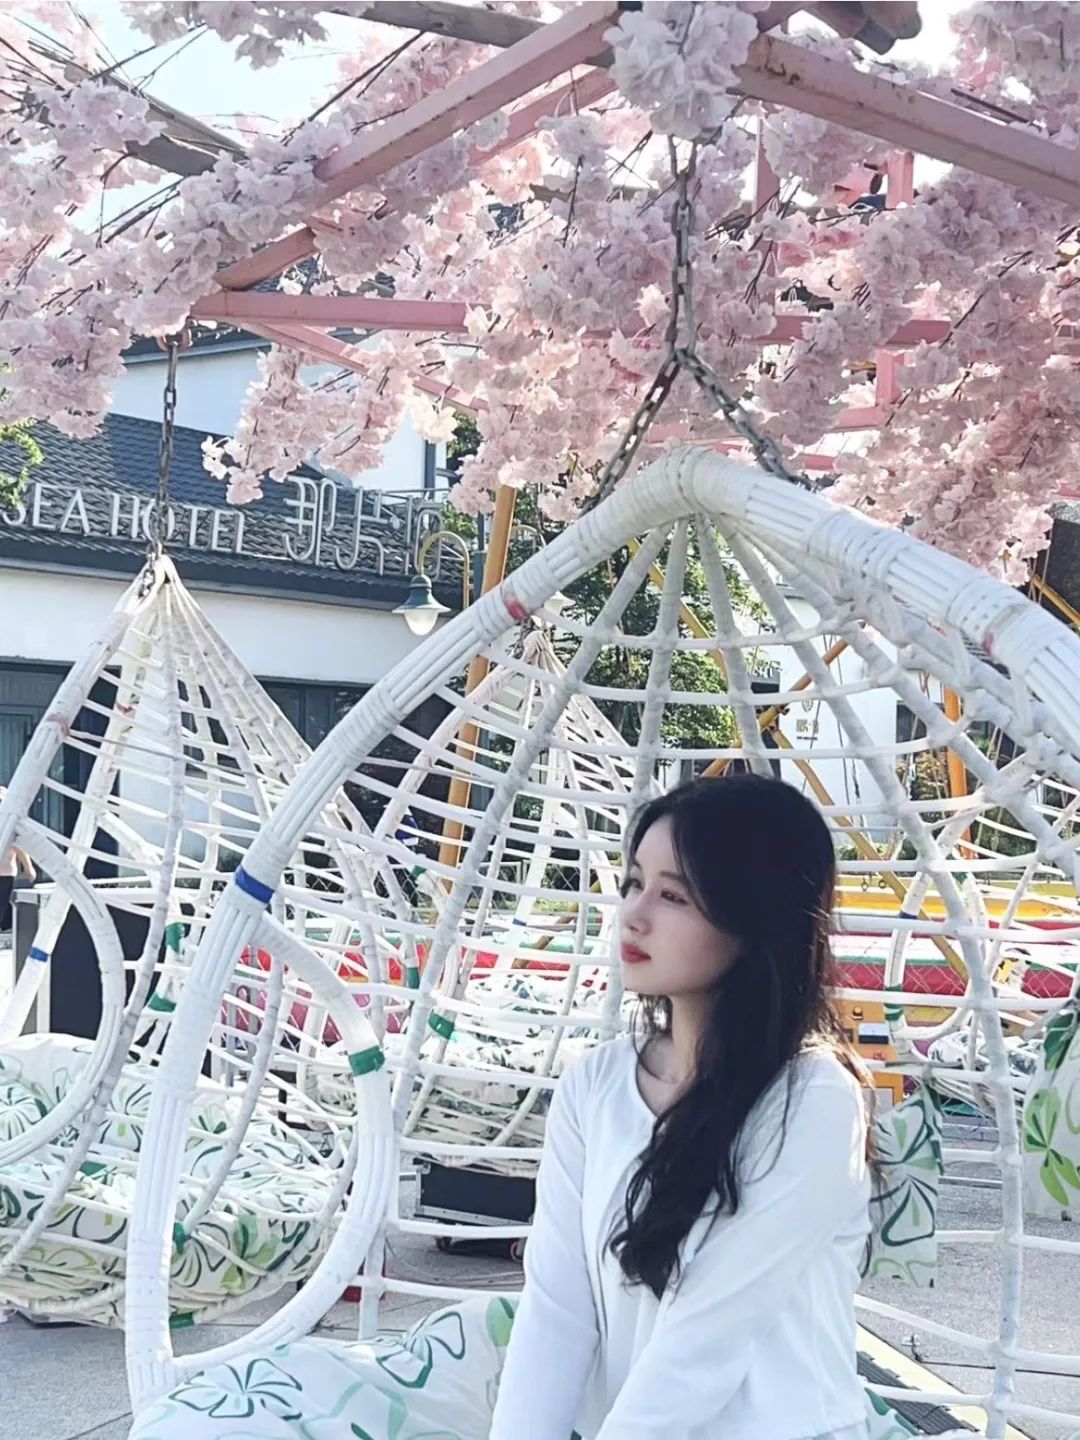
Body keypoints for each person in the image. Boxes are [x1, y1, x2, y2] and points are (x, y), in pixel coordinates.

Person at [490, 773, 873, 1440]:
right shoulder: (595, 1085)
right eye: (633, 883)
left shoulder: (813, 1099)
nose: (634, 916)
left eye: (673, 896)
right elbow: (557, 1312)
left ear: (753, 919)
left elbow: (706, 1341)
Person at [0, 786, 35, 932]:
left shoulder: (11, 823)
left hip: (6, 872)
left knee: (2, 903)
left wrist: (28, 868)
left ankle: (8, 926)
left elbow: (20, 847)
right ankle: (8, 926)